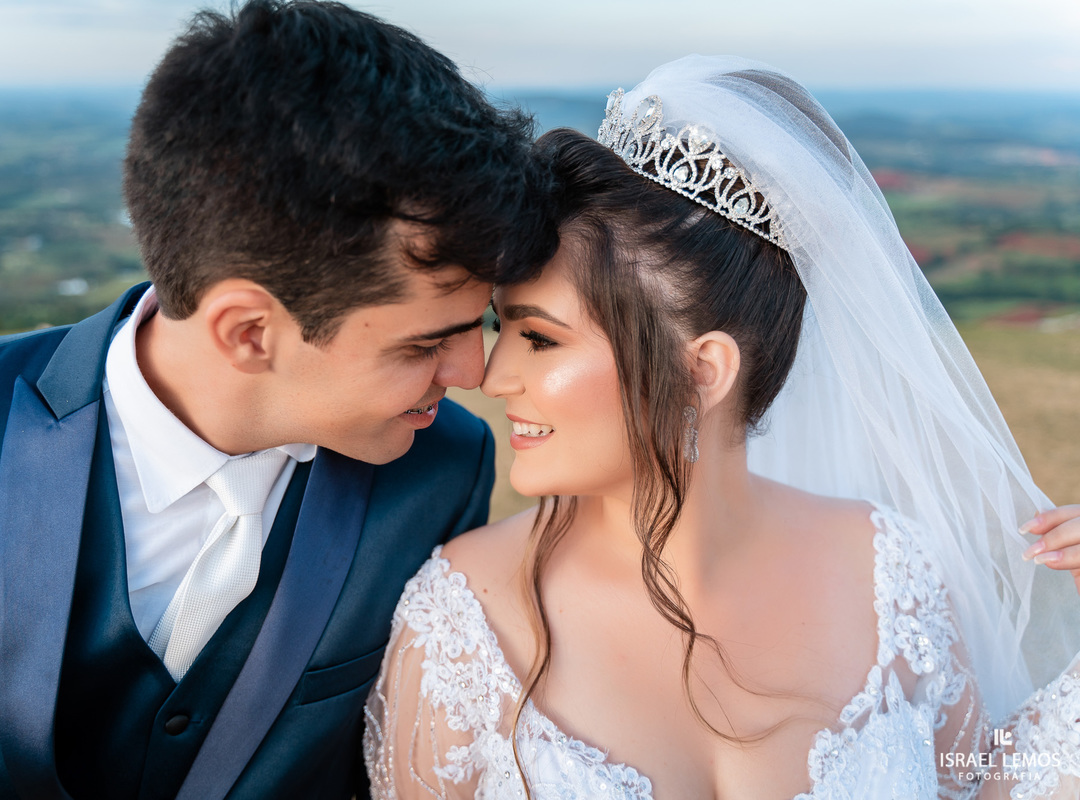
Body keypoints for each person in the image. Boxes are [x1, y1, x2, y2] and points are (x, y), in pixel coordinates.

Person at [0, 2, 558, 798]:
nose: (475, 372)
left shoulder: (443, 470)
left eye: (478, 325)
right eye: (423, 344)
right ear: (248, 332)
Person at [363, 56, 1080, 798]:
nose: (492, 377)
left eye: (540, 339)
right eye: (501, 327)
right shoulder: (461, 628)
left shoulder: (892, 576)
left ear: (703, 372)